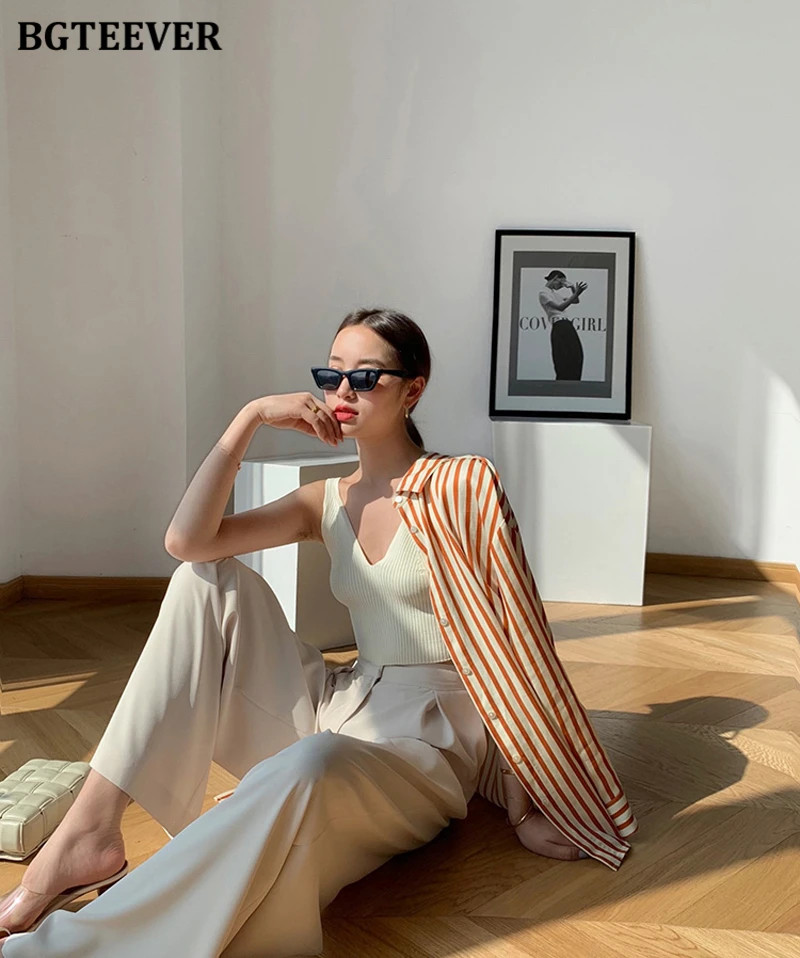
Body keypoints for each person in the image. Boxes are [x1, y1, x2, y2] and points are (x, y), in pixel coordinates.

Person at [0, 307, 623, 958]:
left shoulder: (460, 485)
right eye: (332, 376)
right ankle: (89, 834)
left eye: (366, 377)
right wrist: (248, 420)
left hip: (423, 743)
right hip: (337, 704)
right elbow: (186, 541)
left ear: (414, 389)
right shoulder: (326, 500)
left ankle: (89, 945)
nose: (343, 392)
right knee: (203, 580)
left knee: (312, 761)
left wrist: (526, 806)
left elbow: (517, 641)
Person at [539, 270, 587, 380]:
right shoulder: (543, 293)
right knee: (562, 355)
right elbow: (560, 307)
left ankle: (574, 381)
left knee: (576, 353)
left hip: (566, 324)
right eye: (561, 283)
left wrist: (572, 288)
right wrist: (576, 293)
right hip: (559, 325)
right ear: (555, 278)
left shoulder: (556, 294)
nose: (561, 286)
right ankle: (563, 381)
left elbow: (576, 301)